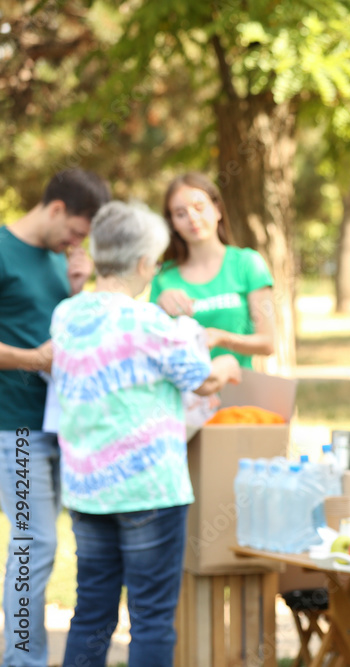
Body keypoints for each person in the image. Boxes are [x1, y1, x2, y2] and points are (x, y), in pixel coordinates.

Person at [49, 201, 242, 666]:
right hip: (149, 491)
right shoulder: (152, 323)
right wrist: (228, 363)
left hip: (88, 490)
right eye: (155, 262)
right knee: (152, 617)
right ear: (142, 264)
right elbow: (203, 379)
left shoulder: (66, 315)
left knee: (92, 612)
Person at [0, 168, 109, 667]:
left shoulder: (56, 263)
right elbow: (38, 350)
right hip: (13, 430)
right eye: (77, 232)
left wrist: (78, 288)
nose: (76, 243)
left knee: (50, 543)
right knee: (34, 544)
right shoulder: (3, 249)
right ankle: (23, 659)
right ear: (58, 208)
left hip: (59, 428)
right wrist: (30, 359)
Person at [150, 172, 275, 368]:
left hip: (238, 393)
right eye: (180, 214)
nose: (192, 218)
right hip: (185, 395)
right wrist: (158, 308)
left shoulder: (248, 264)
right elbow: (151, 347)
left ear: (217, 210)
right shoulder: (163, 276)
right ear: (172, 223)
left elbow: (268, 343)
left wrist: (221, 338)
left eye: (199, 208)